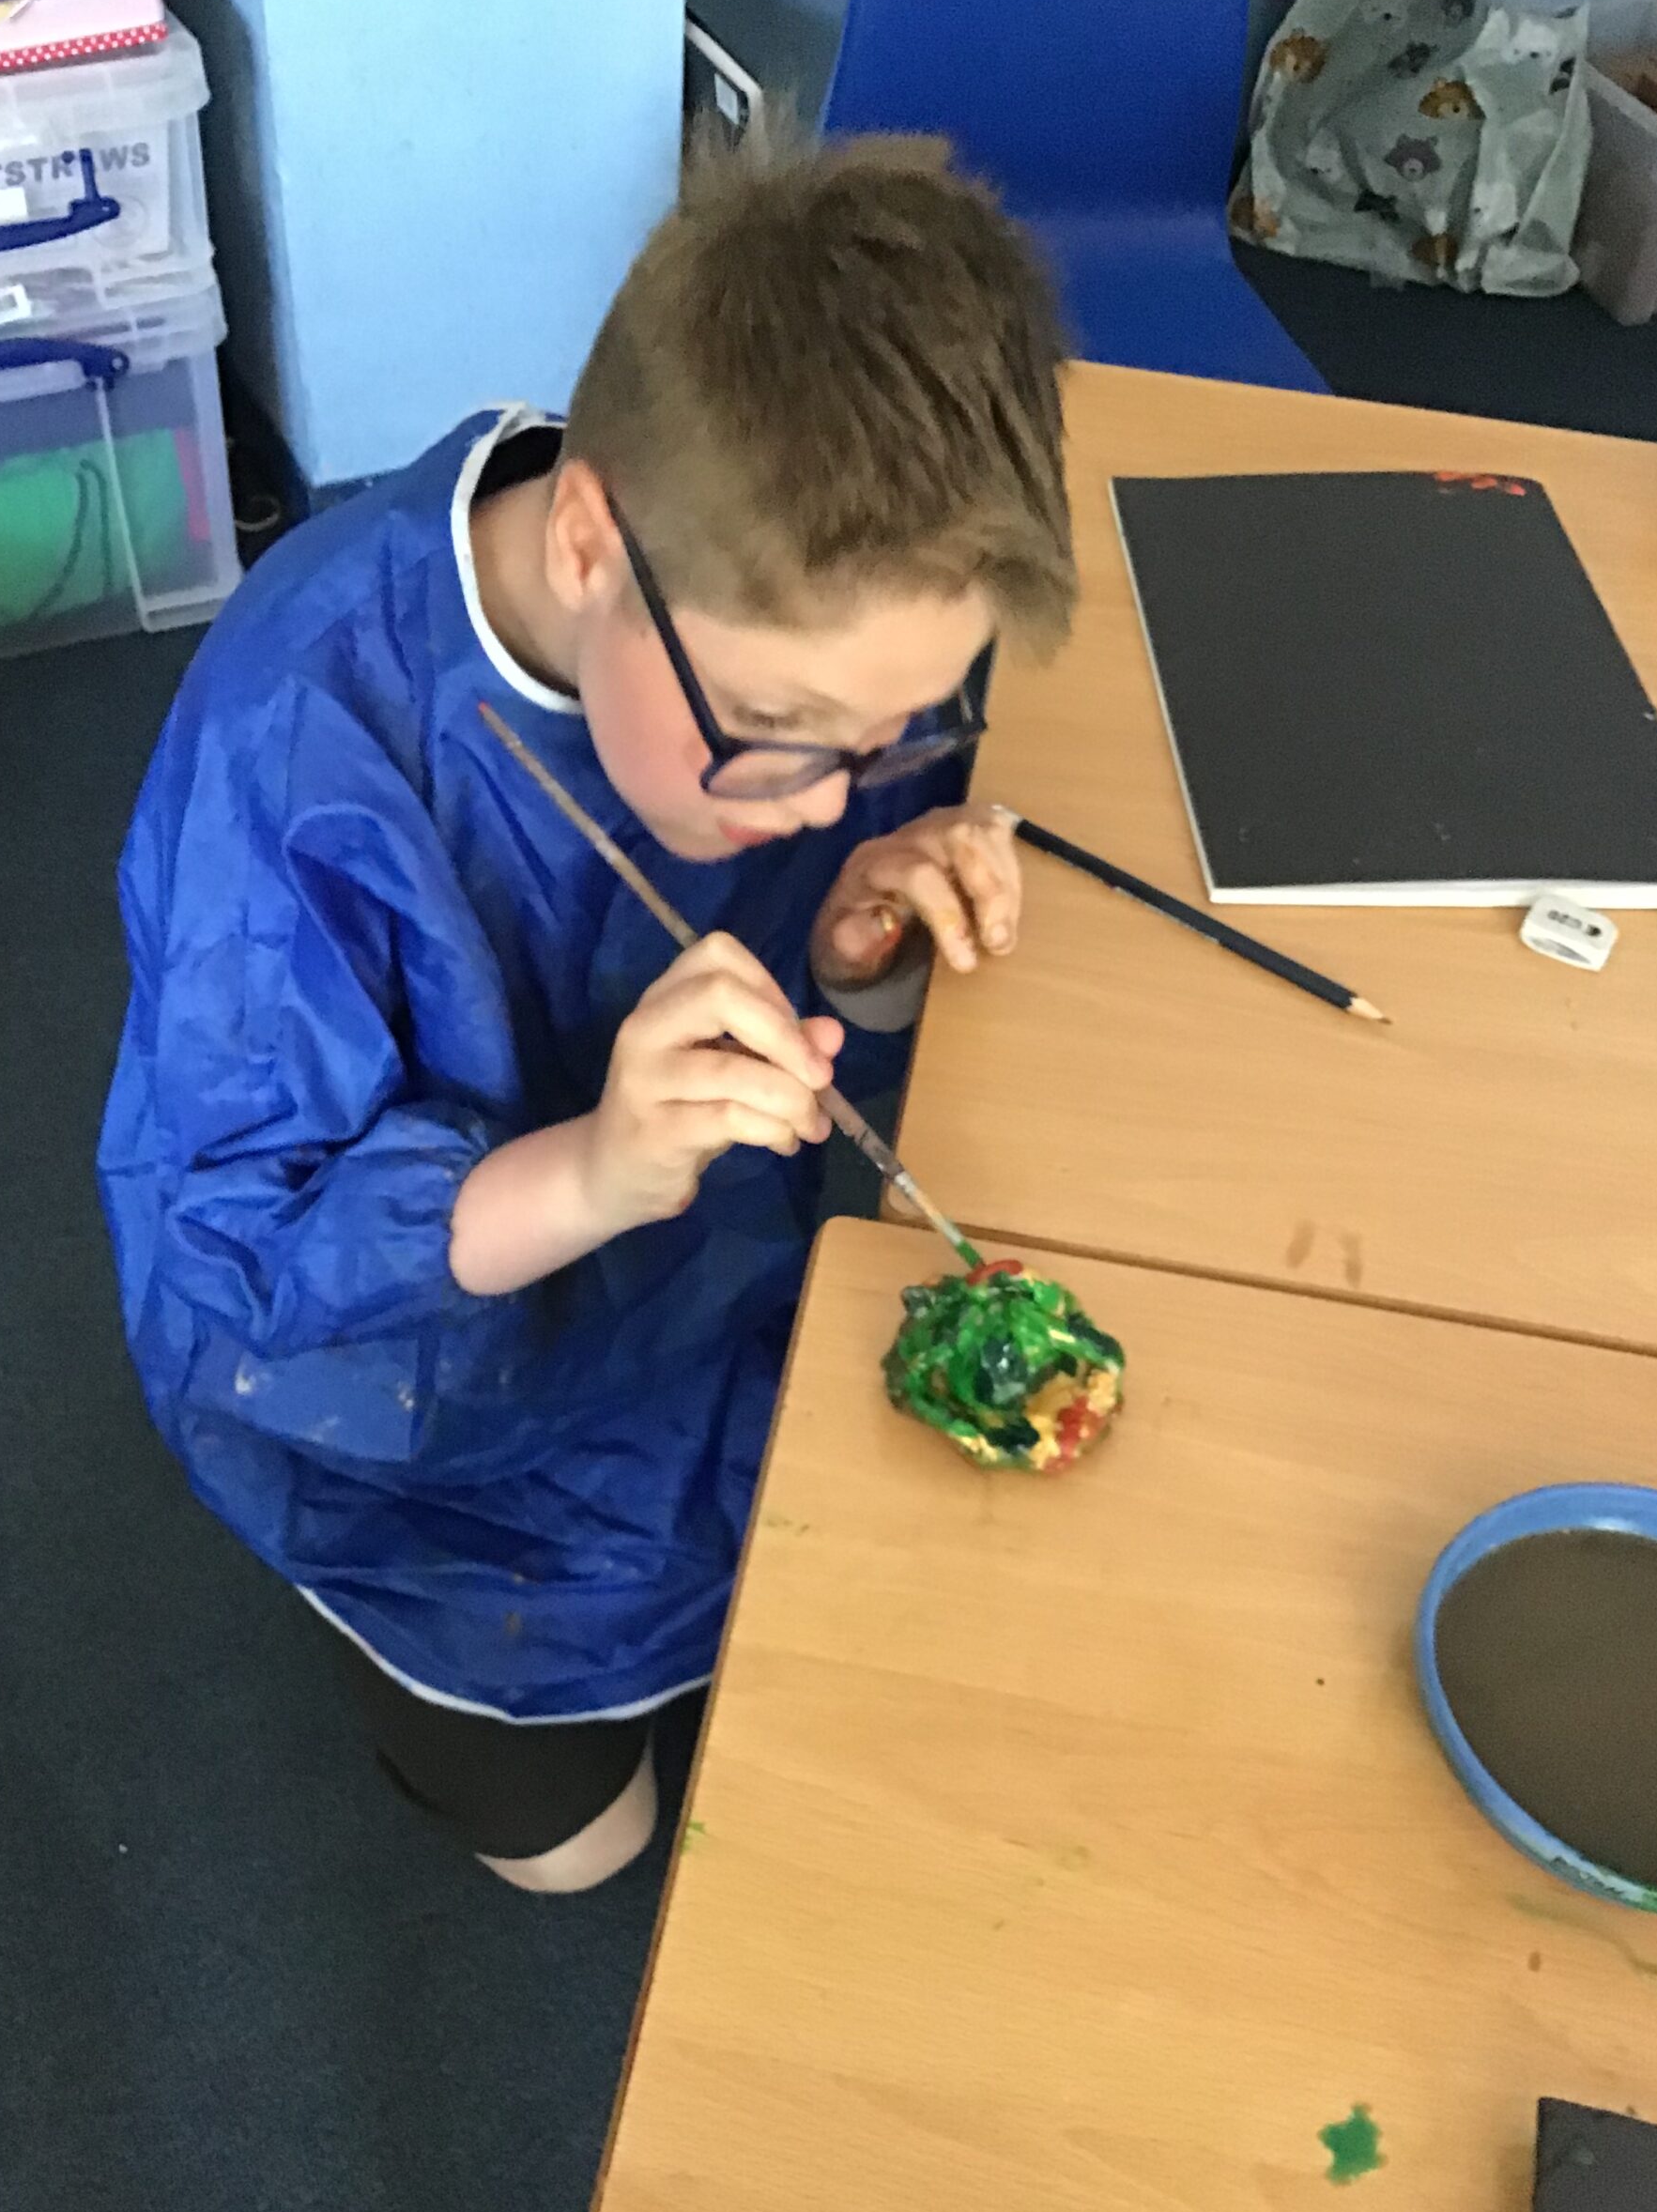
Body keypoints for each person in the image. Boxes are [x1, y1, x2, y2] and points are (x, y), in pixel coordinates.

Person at [98, 130, 1077, 1894]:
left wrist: (858, 942)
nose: (824, 793)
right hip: (405, 1401)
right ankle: (399, 1669)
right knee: (592, 1857)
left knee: (901, 1662)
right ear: (584, 539)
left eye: (893, 733)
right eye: (786, 736)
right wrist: (594, 1173)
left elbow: (806, 908)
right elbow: (243, 1243)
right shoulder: (296, 731)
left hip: (692, 1295)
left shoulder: (767, 633)